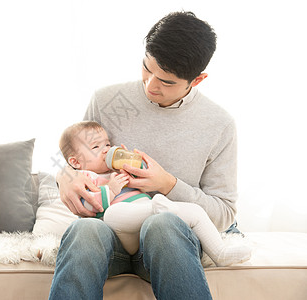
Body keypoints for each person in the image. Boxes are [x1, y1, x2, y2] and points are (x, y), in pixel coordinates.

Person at [50, 11, 239, 299]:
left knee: (162, 223)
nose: (151, 85)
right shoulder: (108, 101)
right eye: (146, 68)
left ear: (197, 80)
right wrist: (64, 177)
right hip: (109, 234)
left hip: (168, 242)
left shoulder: (219, 124)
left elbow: (224, 214)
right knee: (84, 231)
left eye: (166, 81)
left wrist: (168, 185)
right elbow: (73, 158)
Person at [59, 120, 251, 265]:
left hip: (149, 226)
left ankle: (220, 253)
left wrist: (132, 162)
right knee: (112, 214)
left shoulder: (119, 170)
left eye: (107, 144)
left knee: (194, 210)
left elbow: (143, 173)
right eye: (96, 147)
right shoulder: (83, 176)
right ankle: (155, 209)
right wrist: (110, 189)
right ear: (75, 161)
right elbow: (87, 206)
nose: (105, 151)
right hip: (120, 233)